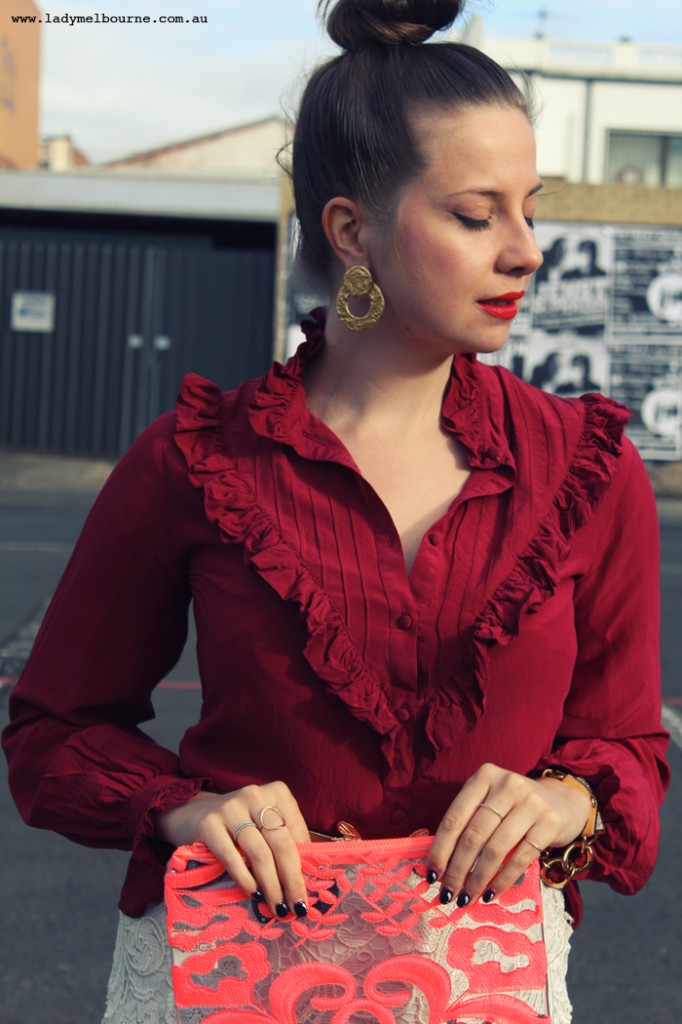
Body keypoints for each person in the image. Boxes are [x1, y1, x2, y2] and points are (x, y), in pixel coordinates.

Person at [2, 2, 669, 1022]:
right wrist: (185, 804)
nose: (526, 250)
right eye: (474, 212)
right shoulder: (195, 459)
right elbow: (53, 730)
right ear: (350, 231)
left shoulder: (586, 469)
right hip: (228, 978)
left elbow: (628, 748)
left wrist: (562, 797)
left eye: (529, 207)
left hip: (482, 984)